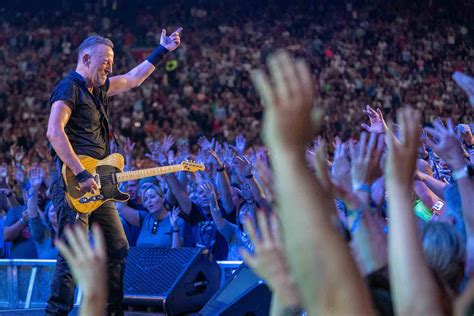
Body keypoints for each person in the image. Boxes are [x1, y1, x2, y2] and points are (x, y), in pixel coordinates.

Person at [45, 28, 182, 315]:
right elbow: (54, 131)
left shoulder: (100, 89)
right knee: (74, 254)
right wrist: (81, 173)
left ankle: (113, 311)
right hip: (76, 180)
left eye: (112, 60)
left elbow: (133, 79)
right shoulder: (69, 88)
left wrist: (163, 51)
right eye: (105, 60)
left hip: (101, 181)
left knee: (118, 247)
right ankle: (55, 312)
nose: (110, 66)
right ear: (85, 58)